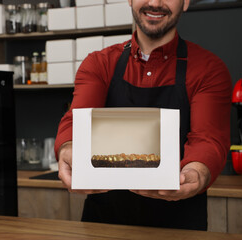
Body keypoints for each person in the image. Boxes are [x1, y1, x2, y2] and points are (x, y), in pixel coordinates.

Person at [55, 0, 232, 231]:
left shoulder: (208, 69)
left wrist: (195, 173)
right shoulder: (99, 64)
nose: (155, 3)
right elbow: (75, 120)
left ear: (185, 2)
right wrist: (68, 148)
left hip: (179, 226)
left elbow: (208, 139)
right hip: (104, 225)